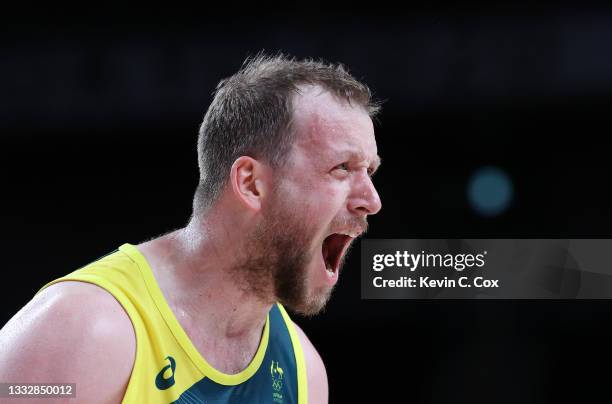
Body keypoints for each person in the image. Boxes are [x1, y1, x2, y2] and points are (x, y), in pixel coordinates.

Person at [0, 53, 382, 403]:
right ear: (250, 183)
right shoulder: (86, 329)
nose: (372, 200)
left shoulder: (304, 377)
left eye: (370, 171)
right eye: (342, 168)